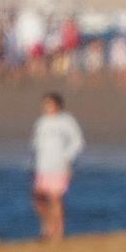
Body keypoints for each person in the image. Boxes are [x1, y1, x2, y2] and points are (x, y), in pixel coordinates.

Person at [31, 92, 84, 242]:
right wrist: (33, 163)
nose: (46, 107)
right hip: (42, 166)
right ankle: (48, 226)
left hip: (59, 166)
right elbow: (35, 144)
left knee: (55, 198)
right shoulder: (42, 122)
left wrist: (67, 158)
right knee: (38, 198)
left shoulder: (66, 121)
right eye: (45, 104)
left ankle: (59, 231)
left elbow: (77, 142)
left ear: (57, 104)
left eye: (49, 103)